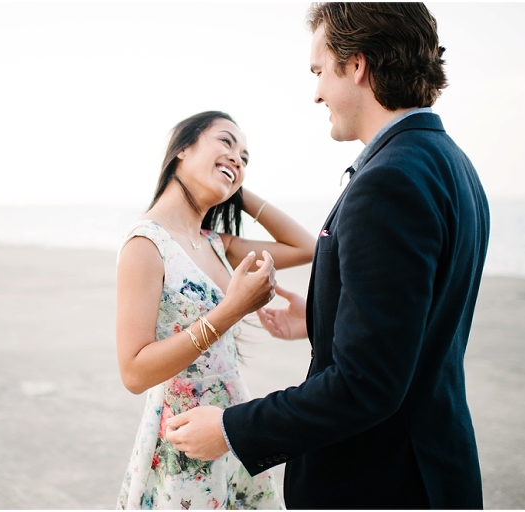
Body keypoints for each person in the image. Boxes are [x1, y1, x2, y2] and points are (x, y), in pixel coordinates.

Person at [165, 3, 490, 509]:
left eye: (319, 71)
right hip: (437, 467)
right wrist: (323, 319)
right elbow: (415, 331)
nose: (315, 92)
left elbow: (366, 385)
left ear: (356, 65)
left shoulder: (387, 181)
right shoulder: (454, 164)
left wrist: (231, 429)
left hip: (379, 484)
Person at [115, 110, 315, 509]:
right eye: (226, 142)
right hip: (185, 437)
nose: (238, 158)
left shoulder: (215, 243)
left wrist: (233, 182)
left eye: (245, 157)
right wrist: (232, 309)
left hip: (230, 427)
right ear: (183, 148)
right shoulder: (146, 243)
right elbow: (134, 373)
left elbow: (307, 247)